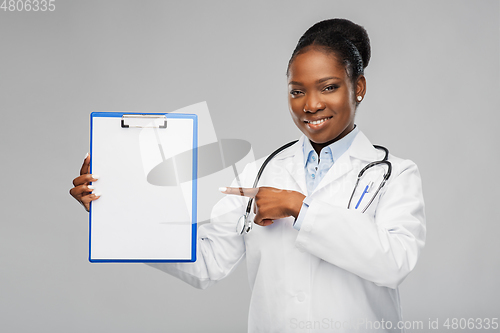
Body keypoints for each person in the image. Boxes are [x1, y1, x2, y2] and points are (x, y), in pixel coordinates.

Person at [70, 18, 426, 332]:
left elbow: (394, 262)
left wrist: (299, 208)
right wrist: (116, 212)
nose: (311, 104)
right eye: (297, 91)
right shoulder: (260, 172)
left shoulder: (394, 174)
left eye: (328, 87)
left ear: (358, 87)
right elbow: (208, 262)